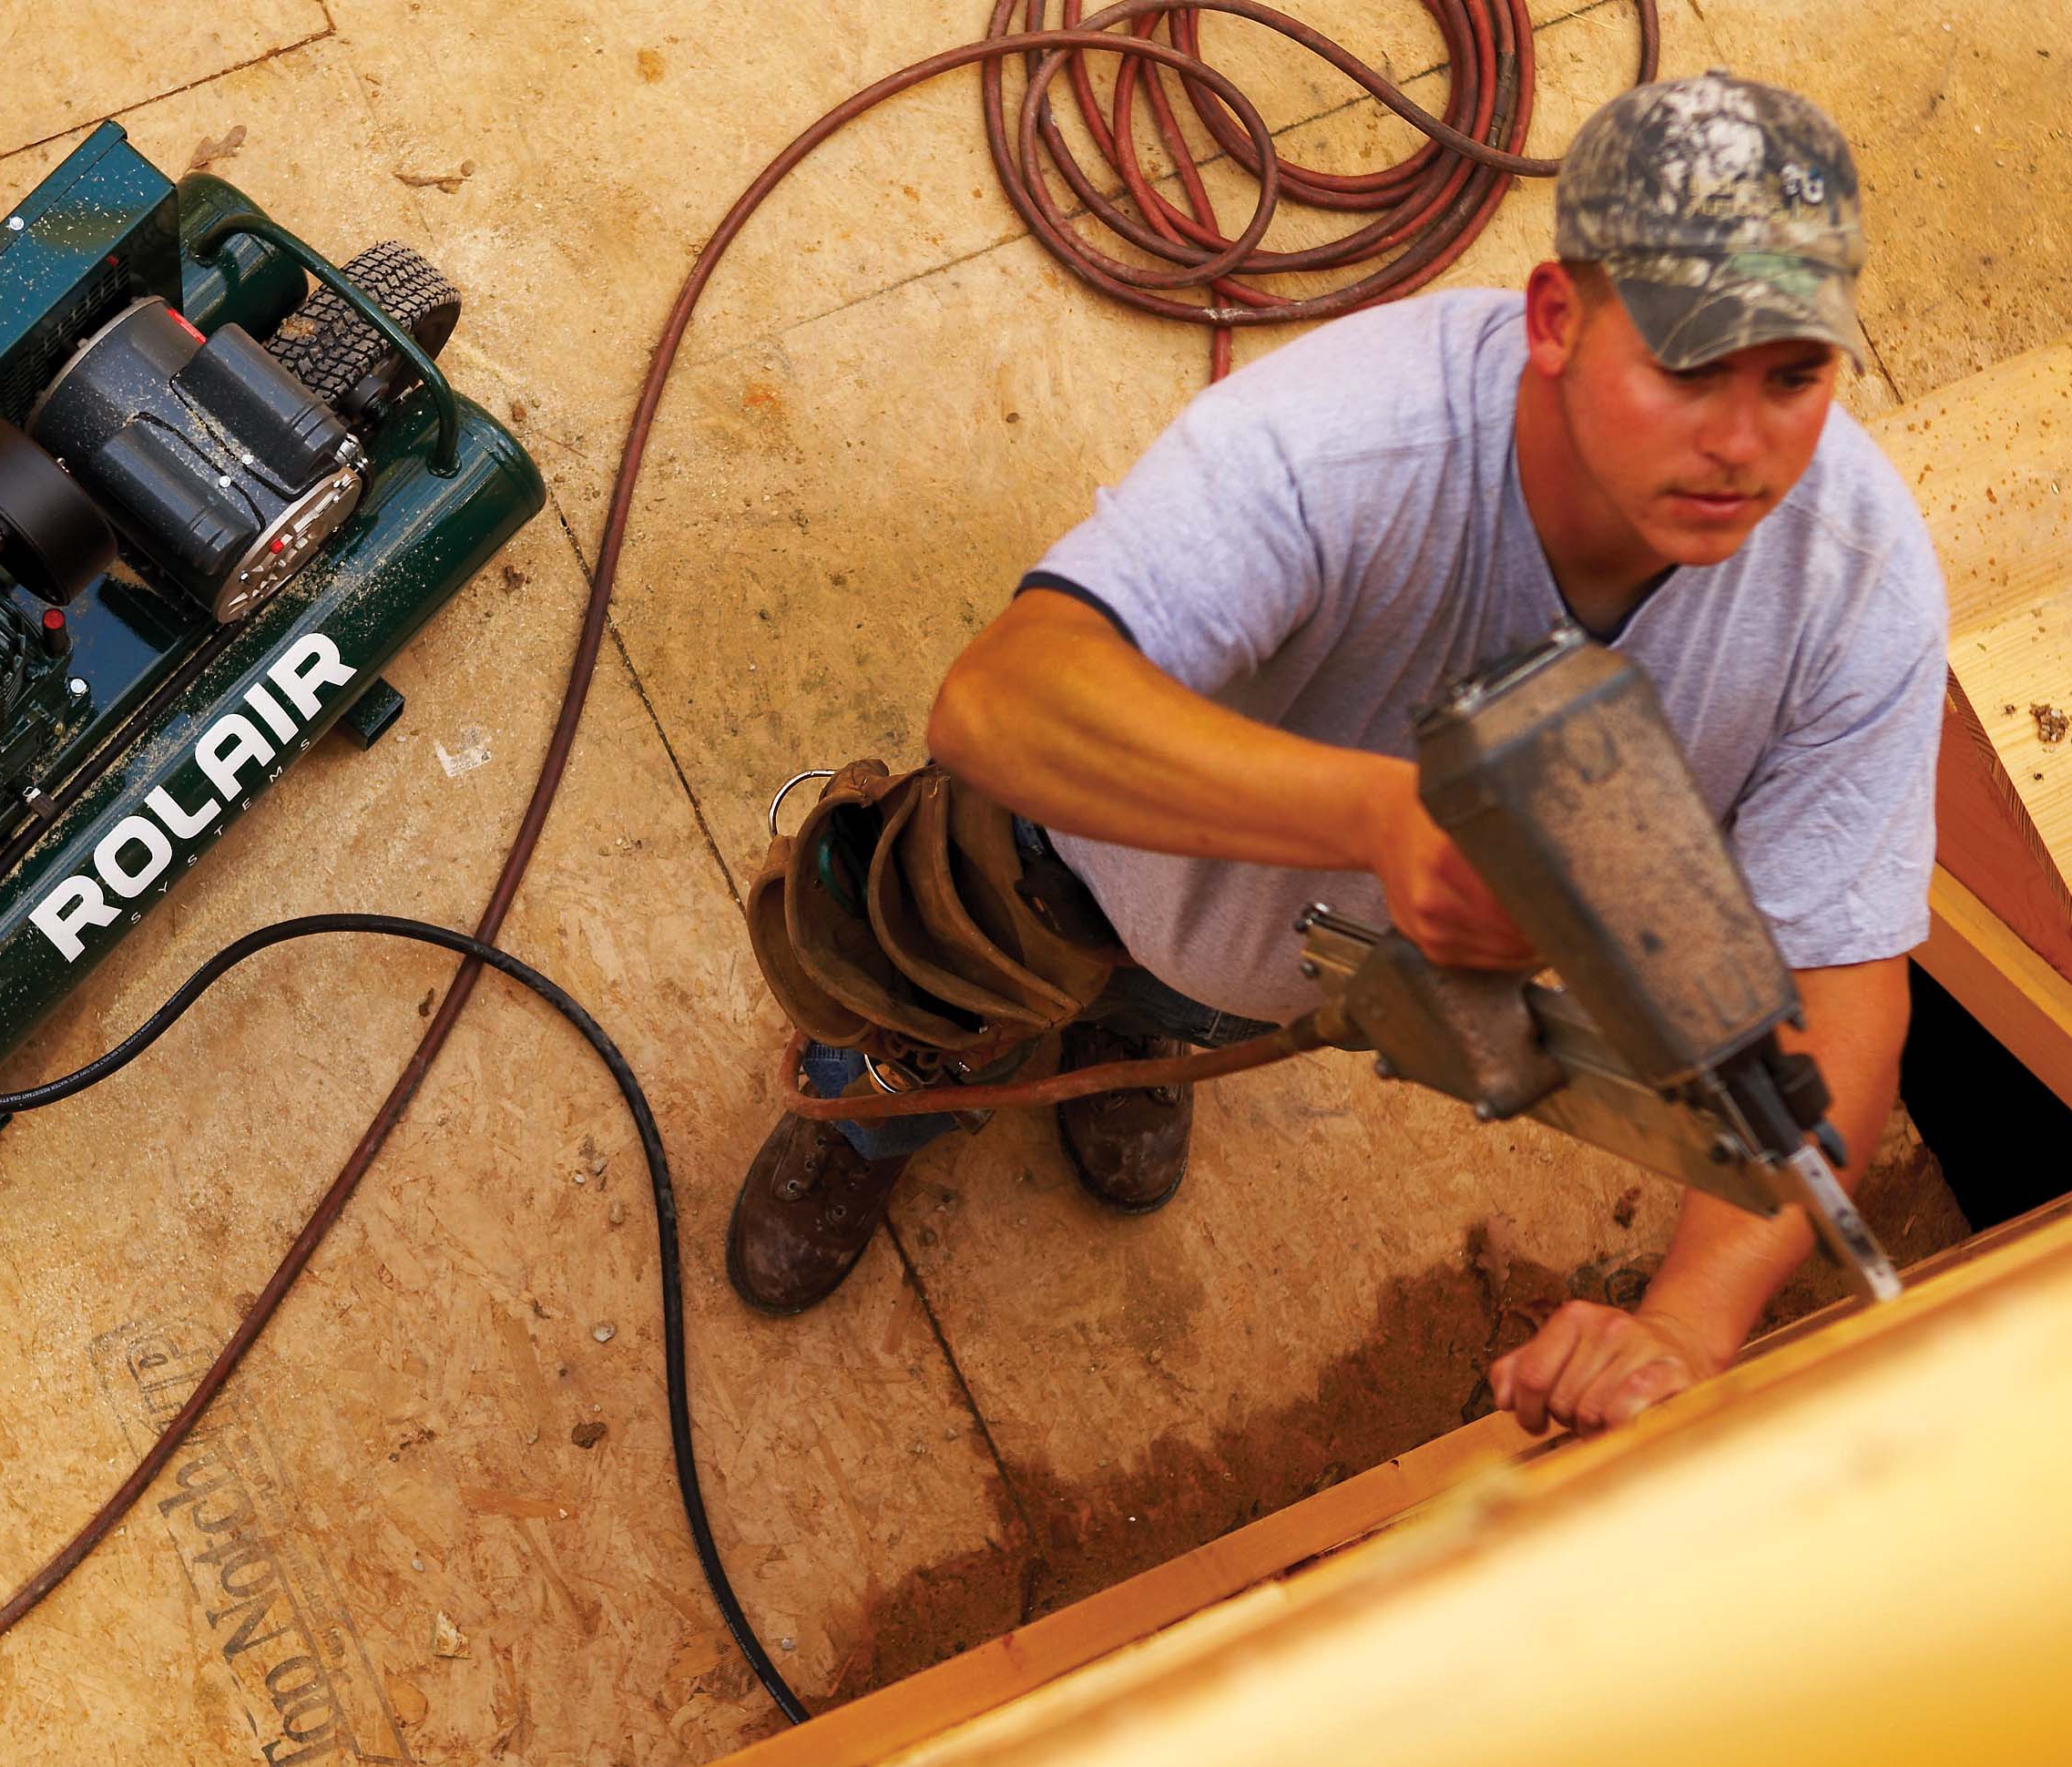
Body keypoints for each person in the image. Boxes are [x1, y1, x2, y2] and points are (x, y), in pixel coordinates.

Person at [727, 72, 1946, 1440]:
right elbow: (1003, 704)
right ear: (1556, 319)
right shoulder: (1348, 445)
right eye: (1684, 366)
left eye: (1793, 375)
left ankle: (1140, 1029)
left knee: (1181, 1004)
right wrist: (1381, 817)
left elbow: (1836, 986)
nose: (1742, 441)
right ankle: (880, 1103)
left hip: (1301, 963)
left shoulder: (1854, 584)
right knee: (938, 980)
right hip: (1069, 855)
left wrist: (1687, 1321)